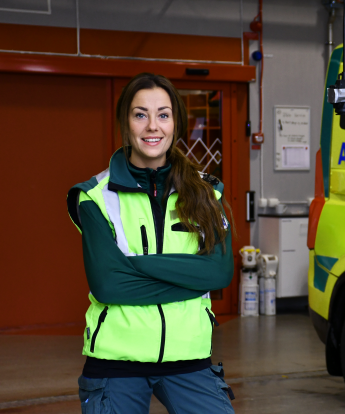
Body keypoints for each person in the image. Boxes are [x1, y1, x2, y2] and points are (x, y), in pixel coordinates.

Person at [66, 73, 236, 414]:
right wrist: (189, 281)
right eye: (140, 114)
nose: (152, 126)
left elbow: (218, 273)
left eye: (163, 114)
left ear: (176, 123)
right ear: (126, 123)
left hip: (189, 357)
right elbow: (109, 285)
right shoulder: (93, 197)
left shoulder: (207, 193)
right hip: (116, 361)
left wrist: (136, 268)